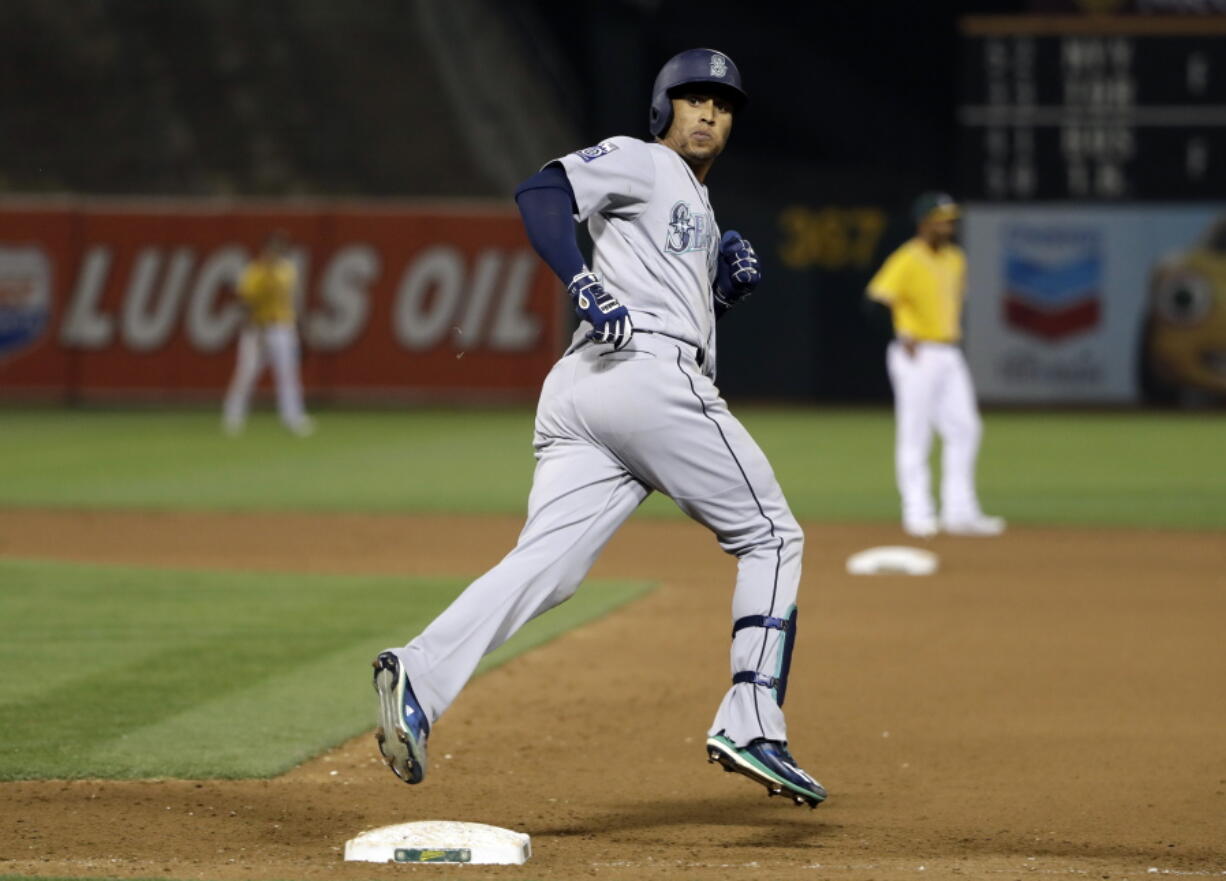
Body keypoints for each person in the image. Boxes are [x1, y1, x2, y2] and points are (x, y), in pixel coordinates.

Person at [371, 48, 826, 809]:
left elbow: (665, 282)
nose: (709, 111)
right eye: (692, 98)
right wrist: (580, 280)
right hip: (641, 378)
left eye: (723, 102)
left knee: (548, 564)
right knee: (772, 536)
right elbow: (542, 189)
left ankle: (417, 673)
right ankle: (752, 719)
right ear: (662, 108)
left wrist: (720, 285)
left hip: (590, 392)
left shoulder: (688, 200)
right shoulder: (643, 161)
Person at [866, 193, 1004, 537]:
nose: (949, 225)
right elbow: (874, 302)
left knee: (966, 428)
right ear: (924, 222)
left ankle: (960, 511)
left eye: (952, 219)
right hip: (916, 354)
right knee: (916, 434)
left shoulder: (956, 258)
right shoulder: (908, 257)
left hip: (948, 351)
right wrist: (901, 332)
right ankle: (918, 511)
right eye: (943, 219)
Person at [221, 230, 314, 437]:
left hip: (283, 327)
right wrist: (255, 328)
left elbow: (292, 301)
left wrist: (299, 327)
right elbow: (245, 302)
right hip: (257, 328)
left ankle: (293, 417)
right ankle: (233, 415)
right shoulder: (254, 272)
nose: (275, 252)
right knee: (247, 371)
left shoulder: (288, 270)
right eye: (272, 247)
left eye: (279, 248)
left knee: (288, 374)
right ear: (264, 249)